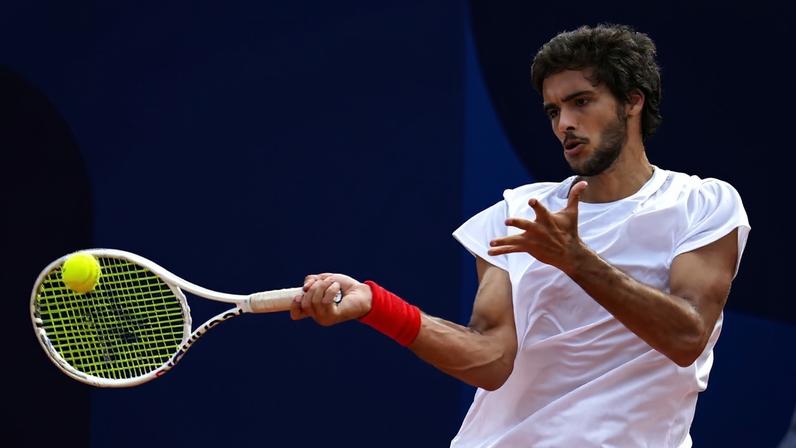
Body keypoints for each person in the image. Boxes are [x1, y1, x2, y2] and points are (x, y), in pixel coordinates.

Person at [290, 24, 750, 447]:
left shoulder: (703, 204)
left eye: (581, 101)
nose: (563, 123)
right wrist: (375, 304)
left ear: (632, 101)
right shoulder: (517, 213)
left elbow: (686, 337)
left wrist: (576, 260)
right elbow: (489, 359)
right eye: (553, 110)